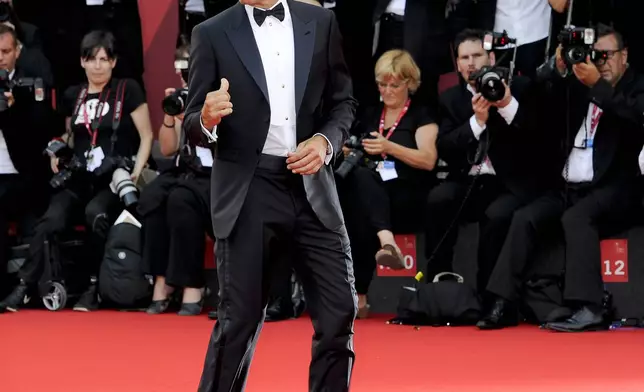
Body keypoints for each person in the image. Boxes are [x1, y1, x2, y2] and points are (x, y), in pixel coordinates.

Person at [183, 0, 357, 390]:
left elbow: (343, 102)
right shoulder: (211, 32)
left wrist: (326, 141)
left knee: (339, 313)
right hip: (249, 189)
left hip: (312, 184)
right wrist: (206, 118)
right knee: (239, 321)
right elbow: (191, 126)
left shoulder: (322, 22)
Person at [482, 24, 644, 332]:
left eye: (607, 56)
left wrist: (599, 88)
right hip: (569, 185)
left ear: (625, 56)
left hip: (617, 186)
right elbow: (545, 92)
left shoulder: (634, 87)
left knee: (577, 217)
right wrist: (558, 68)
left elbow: (635, 116)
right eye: (595, 55)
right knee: (525, 216)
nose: (601, 62)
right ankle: (502, 302)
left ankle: (590, 307)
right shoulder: (582, 85)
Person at [0, 30, 153, 313]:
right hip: (79, 177)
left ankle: (94, 285)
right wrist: (58, 152)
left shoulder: (127, 89)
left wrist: (135, 173)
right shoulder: (75, 94)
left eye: (104, 59)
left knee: (95, 214)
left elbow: (146, 135)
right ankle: (24, 286)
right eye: (91, 59)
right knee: (50, 220)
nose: (98, 66)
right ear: (82, 62)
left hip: (112, 179)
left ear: (114, 62)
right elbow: (71, 135)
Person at [424, 29, 542, 299]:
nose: (471, 63)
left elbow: (534, 134)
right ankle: (436, 287)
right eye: (464, 57)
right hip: (469, 180)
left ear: (491, 57)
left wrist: (505, 104)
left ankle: (488, 296)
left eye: (477, 55)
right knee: (438, 199)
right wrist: (476, 122)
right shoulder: (451, 98)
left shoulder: (519, 88)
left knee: (497, 215)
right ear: (457, 64)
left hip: (509, 182)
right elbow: (445, 145)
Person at [338, 49, 438, 318]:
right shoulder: (370, 114)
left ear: (409, 83)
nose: (387, 91)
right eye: (382, 84)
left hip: (407, 193)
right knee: (359, 189)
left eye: (394, 85)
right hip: (372, 194)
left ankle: (359, 296)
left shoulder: (422, 115)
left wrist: (388, 147)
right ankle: (386, 243)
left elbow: (428, 160)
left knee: (362, 201)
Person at [139, 44, 213, 316]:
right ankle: (161, 279)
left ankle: (191, 284)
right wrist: (172, 116)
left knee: (180, 199)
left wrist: (196, 118)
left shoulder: (218, 95)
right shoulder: (182, 95)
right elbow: (168, 149)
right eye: (180, 71)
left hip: (213, 173)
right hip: (184, 169)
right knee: (152, 197)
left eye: (188, 69)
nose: (184, 77)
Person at [0, 25, 56, 303]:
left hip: (24, 179)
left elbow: (43, 130)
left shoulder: (31, 83)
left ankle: (28, 288)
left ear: (18, 52)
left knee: (36, 225)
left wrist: (12, 110)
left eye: (5, 51)